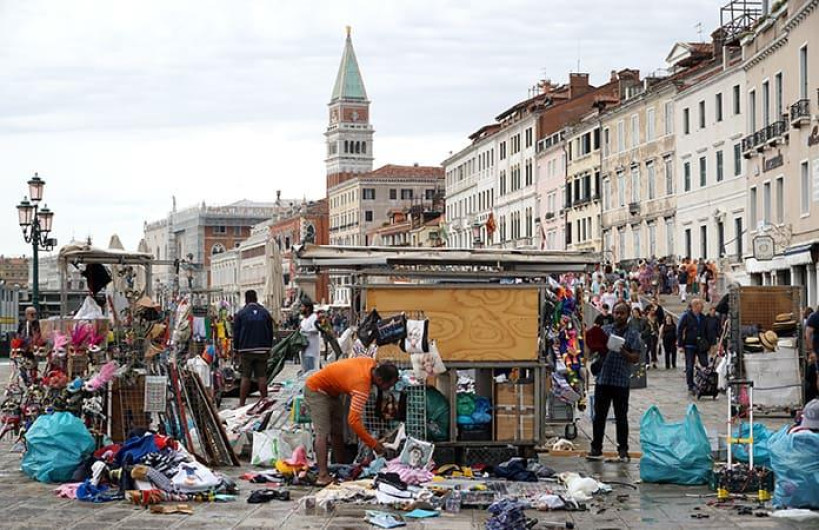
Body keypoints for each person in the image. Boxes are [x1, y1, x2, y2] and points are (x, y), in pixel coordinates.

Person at [304, 357, 399, 485]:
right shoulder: (361, 385)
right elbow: (353, 421)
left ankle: (341, 468)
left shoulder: (371, 364)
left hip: (333, 393)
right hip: (316, 390)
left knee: (337, 432)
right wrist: (374, 445)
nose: (389, 389)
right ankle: (322, 476)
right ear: (380, 379)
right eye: (388, 385)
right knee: (323, 433)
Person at [588, 301, 642, 463]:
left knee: (621, 416)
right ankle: (596, 448)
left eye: (622, 313)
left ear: (628, 314)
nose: (618, 316)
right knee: (599, 416)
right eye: (616, 313)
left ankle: (623, 449)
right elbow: (592, 351)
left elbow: (635, 358)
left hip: (620, 381)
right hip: (603, 379)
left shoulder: (633, 334)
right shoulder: (605, 330)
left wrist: (623, 350)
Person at [233, 290, 275, 407]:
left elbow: (236, 333)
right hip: (262, 348)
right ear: (256, 298)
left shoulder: (241, 313)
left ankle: (242, 403)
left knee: (245, 376)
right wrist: (269, 347)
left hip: (246, 349)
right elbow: (271, 332)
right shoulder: (265, 312)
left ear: (246, 299)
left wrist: (236, 349)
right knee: (262, 376)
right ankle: (264, 400)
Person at [677, 298, 710, 394]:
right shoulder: (686, 316)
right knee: (690, 365)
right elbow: (680, 330)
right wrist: (680, 345)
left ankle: (704, 382)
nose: (701, 306)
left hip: (701, 345)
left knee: (705, 364)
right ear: (694, 306)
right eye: (699, 305)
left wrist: (710, 343)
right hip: (689, 344)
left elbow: (707, 331)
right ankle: (690, 385)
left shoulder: (703, 317)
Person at [299, 301, 321, 372]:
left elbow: (316, 330)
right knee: (305, 372)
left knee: (310, 372)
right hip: (304, 350)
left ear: (307, 308)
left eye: (302, 307)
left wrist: (305, 331)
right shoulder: (304, 320)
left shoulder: (314, 317)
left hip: (311, 351)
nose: (300, 309)